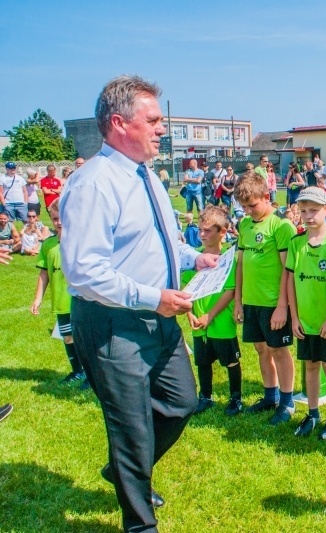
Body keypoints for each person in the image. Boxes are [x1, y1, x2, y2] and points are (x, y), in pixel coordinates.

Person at [60, 75, 219, 533]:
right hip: (113, 322)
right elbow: (84, 272)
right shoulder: (94, 183)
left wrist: (195, 257)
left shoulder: (146, 175)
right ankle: (140, 523)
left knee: (181, 402)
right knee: (131, 427)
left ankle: (124, 470)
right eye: (153, 120)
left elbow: (159, 242)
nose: (162, 128)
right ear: (118, 123)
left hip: (158, 315)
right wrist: (155, 297)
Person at [233, 172, 297, 423]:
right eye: (244, 207)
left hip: (273, 302)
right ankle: (270, 396)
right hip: (251, 300)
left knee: (278, 349)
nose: (248, 211)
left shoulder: (281, 226)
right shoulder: (245, 225)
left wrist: (283, 305)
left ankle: (287, 400)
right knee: (261, 349)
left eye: (252, 205)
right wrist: (238, 300)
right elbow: (240, 265)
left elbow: (287, 270)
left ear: (267, 196)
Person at [286, 187, 326, 439]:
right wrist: (295, 317)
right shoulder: (296, 243)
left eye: (314, 210)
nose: (308, 216)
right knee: (310, 366)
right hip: (305, 322)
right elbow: (289, 281)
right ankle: (312, 413)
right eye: (303, 211)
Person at [182, 206, 243, 416]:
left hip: (221, 321)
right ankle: (205, 396)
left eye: (207, 230)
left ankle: (236, 398)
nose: (201, 235)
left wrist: (211, 314)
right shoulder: (193, 257)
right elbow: (184, 289)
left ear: (222, 232)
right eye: (200, 229)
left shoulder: (228, 259)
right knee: (202, 361)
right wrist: (190, 313)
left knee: (231, 360)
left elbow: (230, 290)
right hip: (198, 321)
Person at [30, 198, 87, 385]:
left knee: (85, 339)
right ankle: (77, 371)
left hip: (81, 300)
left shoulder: (81, 243)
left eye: (63, 217)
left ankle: (91, 374)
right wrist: (38, 298)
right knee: (69, 337)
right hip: (61, 302)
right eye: (54, 218)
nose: (59, 222)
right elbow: (44, 273)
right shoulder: (48, 245)